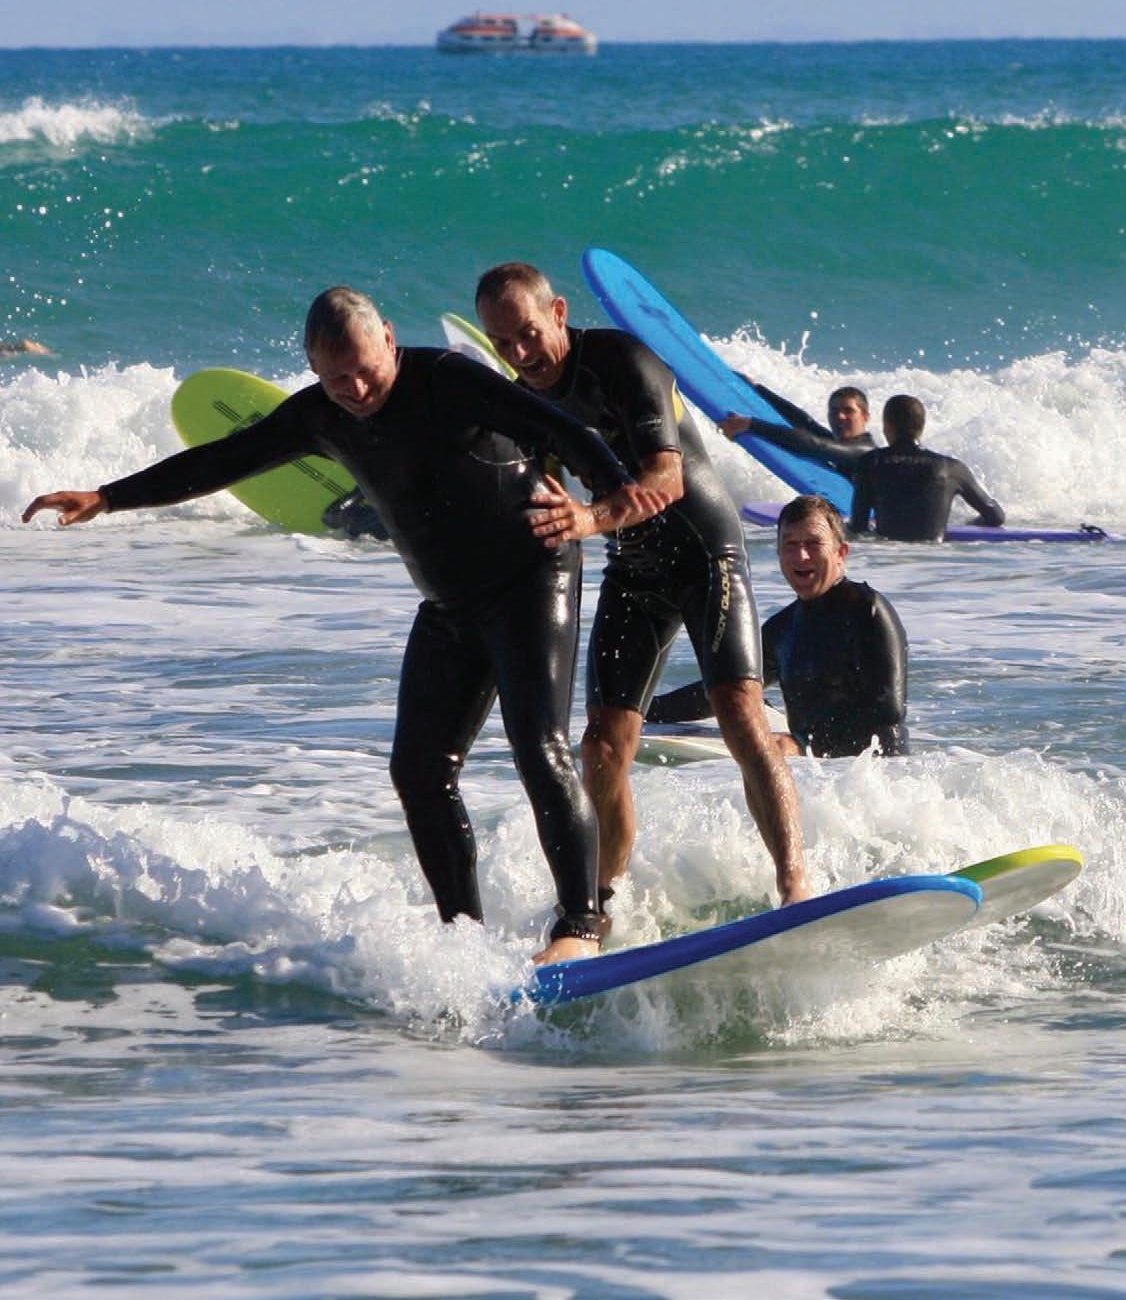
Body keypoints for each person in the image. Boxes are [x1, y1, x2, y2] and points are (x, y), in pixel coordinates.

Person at [23, 286, 668, 965]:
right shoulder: (319, 415)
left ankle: (580, 925)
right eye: (337, 379)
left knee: (537, 745)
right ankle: (465, 941)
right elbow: (222, 460)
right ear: (314, 370)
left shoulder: (447, 379)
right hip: (451, 604)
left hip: (529, 576)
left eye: (365, 369)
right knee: (419, 770)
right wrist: (108, 496)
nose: (356, 390)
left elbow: (565, 431)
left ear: (389, 337)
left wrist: (610, 502)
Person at [474, 262, 811, 915]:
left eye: (528, 333)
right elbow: (531, 504)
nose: (519, 353)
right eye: (502, 342)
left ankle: (795, 884)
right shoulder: (526, 403)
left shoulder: (624, 362)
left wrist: (588, 519)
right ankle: (600, 906)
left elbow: (667, 479)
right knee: (600, 748)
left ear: (559, 313)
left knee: (740, 713)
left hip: (705, 549)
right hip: (634, 567)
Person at [648, 495, 909, 757]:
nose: (801, 555)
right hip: (815, 772)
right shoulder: (783, 628)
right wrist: (646, 709)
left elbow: (888, 711)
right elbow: (728, 688)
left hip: (879, 773)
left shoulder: (867, 611)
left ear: (841, 553)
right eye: (790, 544)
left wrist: (805, 745)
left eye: (813, 544)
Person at [850, 394, 1005, 542]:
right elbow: (996, 517)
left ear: (887, 426)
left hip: (887, 556)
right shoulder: (951, 468)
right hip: (933, 556)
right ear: (922, 426)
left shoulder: (869, 463)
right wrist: (971, 523)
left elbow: (858, 527)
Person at [720, 384, 876, 477]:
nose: (840, 416)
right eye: (834, 411)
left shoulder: (865, 453)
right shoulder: (846, 446)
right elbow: (806, 422)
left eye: (848, 410)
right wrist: (758, 389)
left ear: (865, 416)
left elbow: (813, 445)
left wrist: (751, 424)